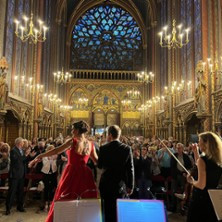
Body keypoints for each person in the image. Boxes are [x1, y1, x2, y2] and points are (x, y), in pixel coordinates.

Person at [29, 120, 98, 222]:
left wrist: (40, 155)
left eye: (73, 129)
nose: (71, 131)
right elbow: (97, 161)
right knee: (84, 200)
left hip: (72, 173)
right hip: (85, 174)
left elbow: (56, 150)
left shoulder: (73, 141)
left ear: (77, 130)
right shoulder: (90, 144)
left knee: (65, 198)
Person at [98, 125, 134, 222]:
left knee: (106, 209)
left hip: (106, 184)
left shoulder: (103, 148)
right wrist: (130, 185)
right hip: (119, 184)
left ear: (109, 135)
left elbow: (100, 165)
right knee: (119, 209)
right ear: (119, 135)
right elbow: (130, 169)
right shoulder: (127, 148)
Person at [186, 132, 222, 222]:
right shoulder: (217, 159)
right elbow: (200, 165)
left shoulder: (203, 160)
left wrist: (192, 181)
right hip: (211, 199)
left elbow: (201, 185)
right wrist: (195, 152)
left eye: (200, 141)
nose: (198, 143)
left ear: (206, 144)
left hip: (200, 199)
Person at [6, 137, 26, 215]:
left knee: (21, 192)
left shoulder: (22, 151)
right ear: (19, 143)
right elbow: (16, 160)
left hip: (21, 174)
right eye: (22, 142)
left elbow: (23, 161)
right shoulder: (13, 151)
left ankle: (20, 207)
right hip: (14, 175)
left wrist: (29, 157)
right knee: (12, 192)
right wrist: (26, 155)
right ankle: (8, 208)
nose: (23, 143)